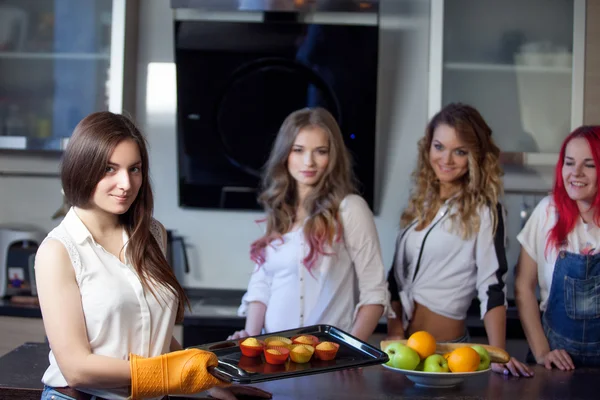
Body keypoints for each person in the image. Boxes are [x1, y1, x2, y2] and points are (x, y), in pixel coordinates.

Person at [35, 112, 271, 400]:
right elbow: (77, 369)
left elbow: (152, 334)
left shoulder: (154, 235)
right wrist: (173, 373)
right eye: (110, 168)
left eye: (134, 169)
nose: (126, 183)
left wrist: (211, 382)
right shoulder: (57, 251)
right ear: (82, 168)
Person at [386, 103, 533, 377]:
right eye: (439, 146)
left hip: (448, 354)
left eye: (460, 151)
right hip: (404, 352)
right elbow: (393, 279)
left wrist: (497, 354)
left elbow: (492, 286)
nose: (446, 159)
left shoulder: (485, 210)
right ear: (428, 147)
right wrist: (395, 330)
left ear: (474, 157)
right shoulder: (420, 201)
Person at [229, 107, 389, 342]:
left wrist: (352, 352)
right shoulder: (279, 212)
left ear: (332, 156)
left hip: (329, 359)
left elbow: (374, 292)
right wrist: (250, 339)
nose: (309, 162)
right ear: (285, 154)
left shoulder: (350, 209)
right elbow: (262, 285)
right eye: (298, 150)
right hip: (273, 357)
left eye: (320, 151)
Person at [515, 126, 600, 370]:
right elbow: (523, 287)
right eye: (569, 163)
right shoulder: (547, 212)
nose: (576, 173)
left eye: (590, 165)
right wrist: (542, 352)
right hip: (554, 365)